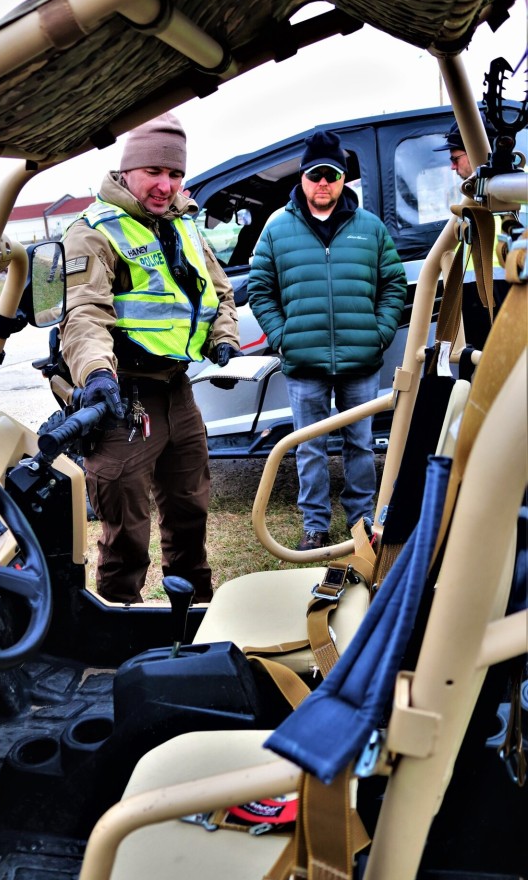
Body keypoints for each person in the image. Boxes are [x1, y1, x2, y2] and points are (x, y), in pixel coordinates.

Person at [59, 113, 240, 603]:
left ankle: (197, 614)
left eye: (175, 174)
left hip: (179, 392)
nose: (166, 185)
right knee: (127, 532)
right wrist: (97, 375)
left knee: (190, 514)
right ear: (127, 170)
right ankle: (121, 630)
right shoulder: (94, 231)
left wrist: (224, 335)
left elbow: (221, 293)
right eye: (154, 172)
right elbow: (83, 315)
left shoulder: (183, 224)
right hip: (123, 399)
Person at [248, 129, 406, 551]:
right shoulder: (277, 228)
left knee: (360, 443)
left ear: (343, 179)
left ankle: (361, 524)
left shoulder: (369, 228)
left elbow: (394, 284)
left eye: (332, 175)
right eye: (315, 174)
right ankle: (315, 525)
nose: (323, 183)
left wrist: (379, 332)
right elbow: (260, 288)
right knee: (309, 446)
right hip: (304, 363)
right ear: (302, 178)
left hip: (360, 361)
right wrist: (284, 336)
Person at [433, 114, 515, 350]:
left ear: (476, 149)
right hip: (477, 308)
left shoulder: (520, 187)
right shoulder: (474, 195)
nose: (452, 166)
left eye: (455, 158)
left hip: (510, 305)